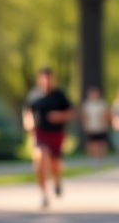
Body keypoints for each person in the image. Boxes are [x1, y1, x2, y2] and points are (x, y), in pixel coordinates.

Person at [22, 66, 74, 209]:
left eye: (49, 78)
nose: (46, 81)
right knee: (39, 160)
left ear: (52, 78)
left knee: (54, 165)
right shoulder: (34, 96)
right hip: (40, 133)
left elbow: (70, 112)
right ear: (39, 79)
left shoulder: (59, 95)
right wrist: (28, 122)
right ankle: (43, 195)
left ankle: (57, 180)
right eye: (43, 78)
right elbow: (27, 112)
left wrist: (60, 116)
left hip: (56, 134)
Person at [80, 85, 111, 164]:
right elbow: (84, 116)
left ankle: (100, 158)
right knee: (92, 144)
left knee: (101, 144)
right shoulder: (87, 104)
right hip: (91, 127)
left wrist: (106, 123)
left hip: (101, 127)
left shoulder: (102, 103)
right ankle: (93, 159)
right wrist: (85, 124)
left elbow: (106, 115)